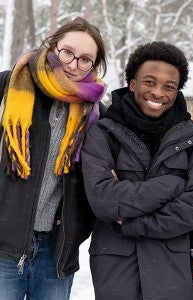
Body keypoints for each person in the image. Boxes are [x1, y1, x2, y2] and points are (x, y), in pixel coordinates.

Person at [81, 41, 193, 299]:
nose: (158, 92)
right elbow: (104, 200)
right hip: (116, 269)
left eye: (169, 86)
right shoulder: (103, 132)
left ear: (177, 92)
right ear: (133, 84)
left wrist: (133, 222)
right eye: (149, 82)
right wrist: (174, 185)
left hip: (172, 271)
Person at [0, 17, 107, 299]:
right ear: (53, 47)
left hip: (56, 251)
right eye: (68, 52)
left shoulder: (96, 113)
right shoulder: (10, 86)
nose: (73, 64)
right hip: (3, 244)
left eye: (85, 59)